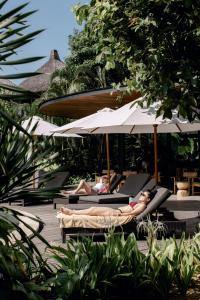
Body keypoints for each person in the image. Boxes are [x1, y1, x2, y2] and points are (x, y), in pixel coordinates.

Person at [60, 190, 154, 217]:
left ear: (148, 199)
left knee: (93, 210)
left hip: (116, 213)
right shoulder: (138, 203)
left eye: (143, 195)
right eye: (141, 193)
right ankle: (72, 212)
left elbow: (133, 213)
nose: (141, 195)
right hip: (116, 211)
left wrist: (120, 215)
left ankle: (71, 212)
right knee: (93, 209)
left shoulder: (142, 205)